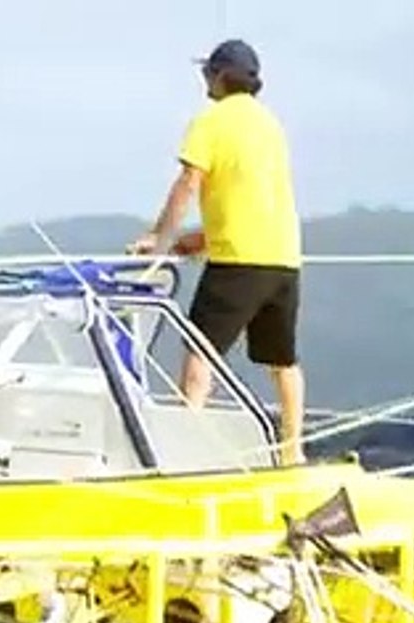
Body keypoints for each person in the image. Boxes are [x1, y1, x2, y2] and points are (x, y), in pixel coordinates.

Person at [130, 39, 306, 464]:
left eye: (208, 72)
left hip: (238, 262)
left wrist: (161, 240)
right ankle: (293, 453)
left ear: (221, 76)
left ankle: (183, 456)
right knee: (282, 360)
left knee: (199, 352)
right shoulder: (271, 125)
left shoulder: (210, 122)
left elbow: (189, 183)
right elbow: (248, 201)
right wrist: (195, 242)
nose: (204, 79)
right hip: (283, 258)